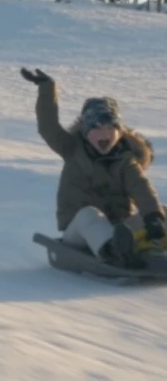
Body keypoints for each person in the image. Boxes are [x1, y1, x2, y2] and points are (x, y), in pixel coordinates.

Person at [21, 67, 166, 268]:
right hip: (80, 232)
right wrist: (47, 88)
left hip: (121, 229)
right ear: (86, 130)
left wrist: (153, 218)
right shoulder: (71, 148)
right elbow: (48, 127)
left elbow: (142, 188)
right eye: (97, 128)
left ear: (119, 131)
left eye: (110, 128)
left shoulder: (126, 161)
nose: (104, 134)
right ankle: (114, 252)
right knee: (88, 215)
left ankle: (154, 248)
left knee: (160, 212)